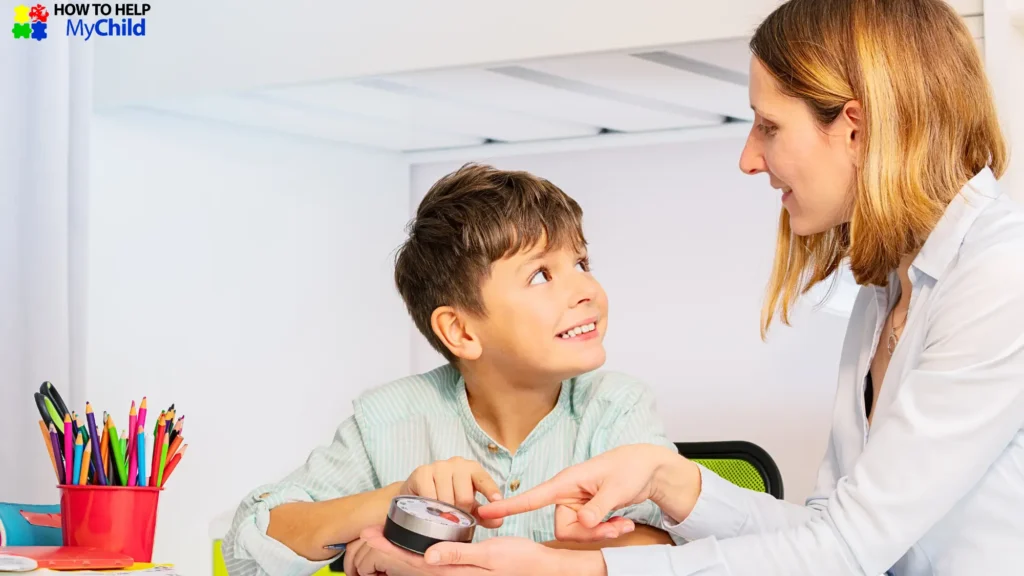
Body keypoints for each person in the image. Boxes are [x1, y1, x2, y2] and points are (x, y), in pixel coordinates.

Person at [344, 0, 1024, 574]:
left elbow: (844, 552)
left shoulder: (1001, 273)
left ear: (855, 126)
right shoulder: (886, 296)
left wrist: (594, 568)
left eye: (769, 126)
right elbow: (828, 525)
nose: (749, 157)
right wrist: (672, 480)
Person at [220, 164, 681, 576]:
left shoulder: (616, 407)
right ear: (460, 331)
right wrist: (394, 504)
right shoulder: (388, 418)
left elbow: (673, 547)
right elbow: (250, 538)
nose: (587, 288)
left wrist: (425, 564)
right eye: (541, 274)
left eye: (581, 262)